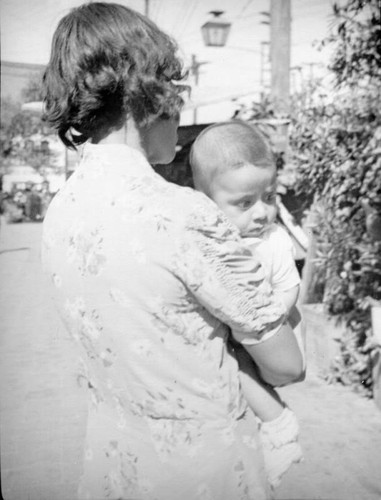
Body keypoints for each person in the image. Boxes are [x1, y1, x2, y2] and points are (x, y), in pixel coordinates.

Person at [41, 3, 304, 500]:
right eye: (173, 89)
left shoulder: (62, 211)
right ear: (148, 93)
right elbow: (287, 367)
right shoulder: (183, 215)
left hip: (114, 455)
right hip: (201, 470)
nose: (178, 105)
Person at [190, 120, 305, 489]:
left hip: (270, 329)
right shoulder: (208, 241)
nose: (261, 213)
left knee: (233, 358)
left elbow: (290, 287)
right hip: (236, 338)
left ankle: (278, 424)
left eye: (268, 198)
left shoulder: (273, 242)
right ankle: (271, 425)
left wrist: (272, 312)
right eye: (244, 203)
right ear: (207, 201)